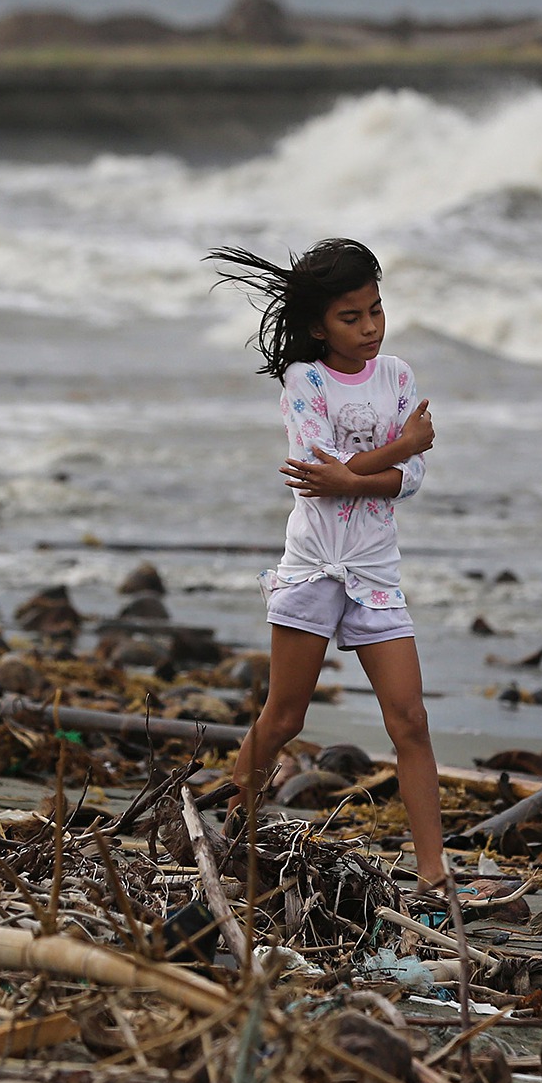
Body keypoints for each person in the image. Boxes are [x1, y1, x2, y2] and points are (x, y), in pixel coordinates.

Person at [206, 238, 449, 888]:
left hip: (374, 573)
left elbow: (414, 476)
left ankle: (433, 873)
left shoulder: (396, 376)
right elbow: (320, 472)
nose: (369, 328)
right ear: (319, 324)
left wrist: (364, 473)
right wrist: (394, 451)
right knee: (285, 717)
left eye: (376, 310)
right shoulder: (303, 380)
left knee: (412, 721)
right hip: (313, 567)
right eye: (351, 317)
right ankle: (237, 834)